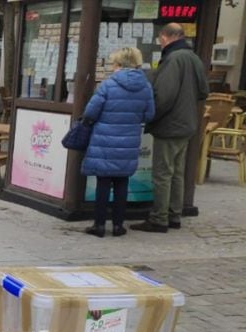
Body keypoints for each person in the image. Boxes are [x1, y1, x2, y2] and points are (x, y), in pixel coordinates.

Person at [131, 23, 208, 233]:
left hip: (170, 125)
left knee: (163, 173)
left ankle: (159, 218)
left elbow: (163, 96)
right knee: (177, 173)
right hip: (187, 124)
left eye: (160, 39)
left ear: (166, 37)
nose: (160, 42)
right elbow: (203, 91)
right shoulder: (194, 57)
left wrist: (150, 116)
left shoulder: (173, 59)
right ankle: (175, 215)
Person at [81, 47, 154, 238]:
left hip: (104, 139)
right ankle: (118, 226)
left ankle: (99, 225)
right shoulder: (145, 86)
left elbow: (90, 112)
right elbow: (150, 114)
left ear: (119, 64)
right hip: (129, 140)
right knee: (122, 182)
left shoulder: (108, 84)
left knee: (103, 183)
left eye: (114, 63)